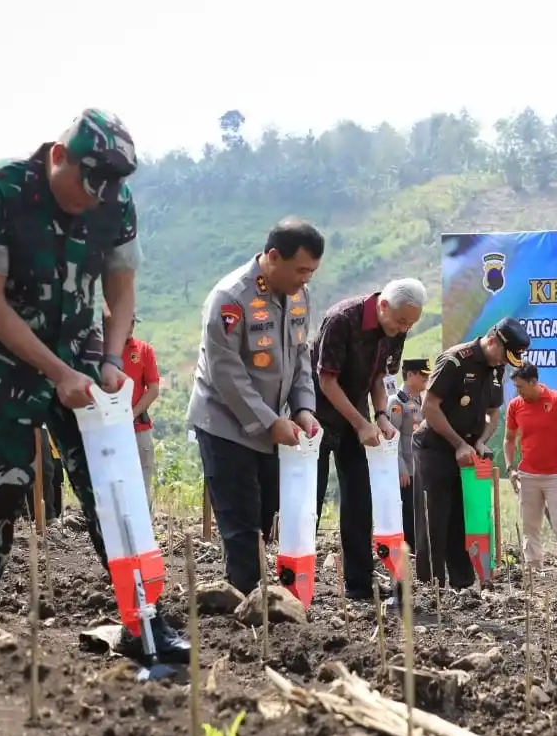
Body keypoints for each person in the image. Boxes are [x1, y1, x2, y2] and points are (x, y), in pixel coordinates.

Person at [0, 108, 190, 664]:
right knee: (1, 483)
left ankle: (145, 620)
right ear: (59, 155)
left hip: (79, 349)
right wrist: (57, 373)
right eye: (87, 183)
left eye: (107, 189)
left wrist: (108, 358)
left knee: (113, 484)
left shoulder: (115, 203)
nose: (94, 197)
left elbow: (121, 294)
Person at [188, 217, 323, 595]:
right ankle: (247, 610)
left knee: (266, 515)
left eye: (311, 271)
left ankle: (258, 598)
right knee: (241, 522)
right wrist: (268, 421)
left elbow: (300, 356)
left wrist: (304, 408)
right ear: (273, 257)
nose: (305, 279)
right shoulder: (230, 299)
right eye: (300, 270)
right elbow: (226, 373)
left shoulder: (299, 297)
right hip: (226, 424)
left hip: (271, 426)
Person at [310, 279, 426, 600]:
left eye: (410, 324)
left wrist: (382, 415)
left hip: (356, 416)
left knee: (360, 498)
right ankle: (298, 585)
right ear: (383, 306)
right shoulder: (342, 320)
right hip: (316, 415)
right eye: (402, 321)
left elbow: (380, 376)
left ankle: (358, 584)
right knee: (311, 503)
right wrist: (361, 422)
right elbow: (326, 380)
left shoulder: (396, 330)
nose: (404, 328)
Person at [413, 318, 529, 592]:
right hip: (437, 448)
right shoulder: (455, 360)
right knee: (435, 518)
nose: (504, 363)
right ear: (493, 341)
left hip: (467, 453)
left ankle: (462, 585)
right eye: (504, 355)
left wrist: (479, 441)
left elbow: (493, 413)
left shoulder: (497, 369)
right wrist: (458, 444)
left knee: (462, 518)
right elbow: (429, 406)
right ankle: (432, 587)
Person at [503, 361, 557, 572]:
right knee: (530, 526)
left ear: (534, 381)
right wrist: (511, 469)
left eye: (521, 387)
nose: (518, 392)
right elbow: (509, 440)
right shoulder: (515, 406)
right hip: (527, 476)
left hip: (556, 476)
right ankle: (533, 569)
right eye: (516, 387)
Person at [115, 309, 160, 507]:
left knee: (142, 481)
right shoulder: (99, 352)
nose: (130, 327)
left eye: (133, 323)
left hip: (138, 428)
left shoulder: (144, 350)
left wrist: (130, 415)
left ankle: (144, 533)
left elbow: (153, 389)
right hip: (109, 429)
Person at [386, 357, 430, 551]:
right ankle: (408, 551)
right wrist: (400, 467)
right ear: (410, 375)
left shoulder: (423, 401)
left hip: (422, 467)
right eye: (422, 376)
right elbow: (390, 437)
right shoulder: (396, 402)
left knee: (421, 512)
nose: (425, 380)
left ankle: (419, 548)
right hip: (407, 469)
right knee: (408, 513)